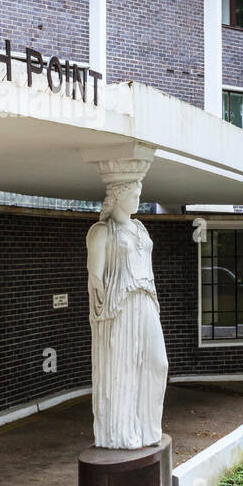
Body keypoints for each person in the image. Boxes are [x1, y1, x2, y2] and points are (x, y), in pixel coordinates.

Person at [85, 173, 168, 449]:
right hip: (120, 305)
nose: (138, 199)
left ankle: (147, 427)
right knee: (124, 368)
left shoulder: (141, 228)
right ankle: (122, 432)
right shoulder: (102, 231)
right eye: (134, 194)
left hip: (145, 301)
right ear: (119, 196)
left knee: (158, 363)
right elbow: (95, 278)